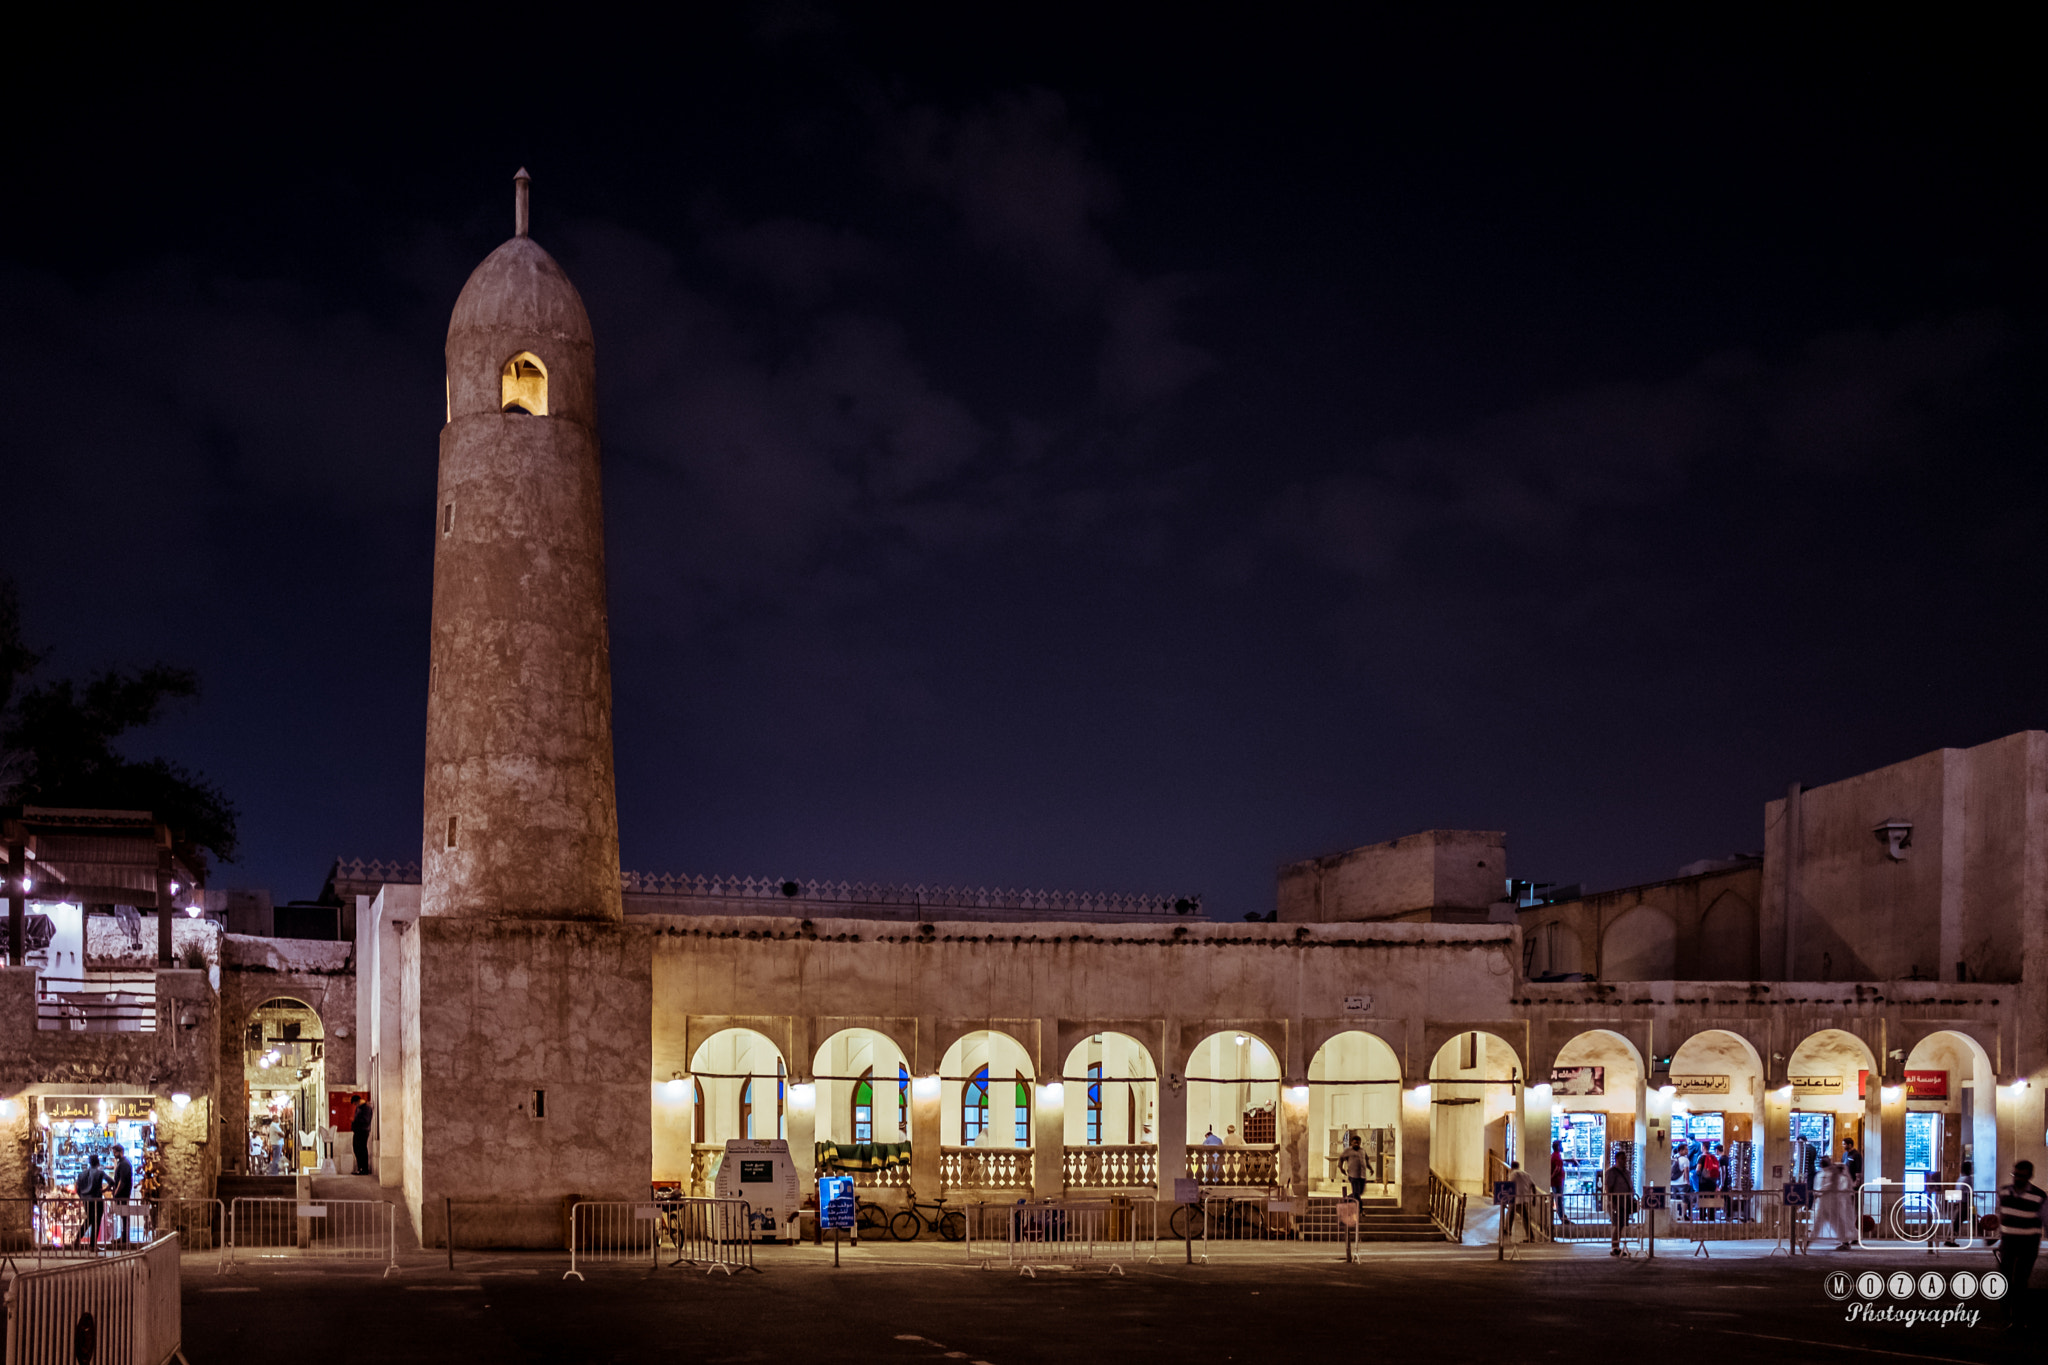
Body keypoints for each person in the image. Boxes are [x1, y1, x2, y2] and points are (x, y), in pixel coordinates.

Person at [1994, 1159, 2044, 1327]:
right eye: (2015, 1174)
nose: (2017, 1178)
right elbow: (2000, 1215)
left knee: (2021, 1280)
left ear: (2029, 1176)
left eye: (2021, 1176)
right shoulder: (2004, 1193)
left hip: (2028, 1244)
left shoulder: (2039, 1196)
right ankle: (2008, 1313)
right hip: (2008, 1243)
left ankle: (2018, 1318)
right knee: (2005, 1279)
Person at [1811, 1154, 1854, 1250]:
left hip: (1831, 1202)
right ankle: (1809, 1239)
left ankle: (1845, 1242)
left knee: (1836, 1222)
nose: (1822, 1162)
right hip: (1822, 1202)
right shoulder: (1820, 1174)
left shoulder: (1833, 1173)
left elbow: (1830, 1185)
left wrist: (1819, 1191)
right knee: (1818, 1222)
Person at [1604, 1153, 1634, 1256]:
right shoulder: (1611, 1172)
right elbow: (1608, 1187)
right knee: (1616, 1224)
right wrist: (1611, 1202)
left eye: (1625, 1158)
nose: (1624, 1161)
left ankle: (1617, 1246)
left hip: (1625, 1203)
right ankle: (1614, 1247)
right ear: (1616, 1159)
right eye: (1622, 1159)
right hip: (1616, 1202)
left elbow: (1630, 1185)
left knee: (1621, 1225)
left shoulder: (1626, 1172)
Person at [74, 1155, 106, 1249]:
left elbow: (77, 1188)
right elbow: (112, 1182)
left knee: (89, 1220)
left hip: (86, 1200)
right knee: (96, 1221)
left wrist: (82, 1197)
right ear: (98, 1162)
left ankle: (78, 1239)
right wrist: (104, 1190)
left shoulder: (82, 1174)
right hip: (97, 1200)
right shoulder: (100, 1173)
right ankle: (92, 1244)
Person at [108, 1146, 134, 1245]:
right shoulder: (122, 1163)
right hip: (122, 1194)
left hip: (123, 1194)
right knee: (123, 1216)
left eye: (115, 1152)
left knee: (124, 1216)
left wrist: (116, 1193)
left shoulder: (124, 1164)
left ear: (120, 1152)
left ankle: (125, 1238)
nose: (114, 1155)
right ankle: (123, 1237)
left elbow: (122, 1181)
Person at [1508, 1159, 1538, 1241]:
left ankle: (1530, 1236)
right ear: (1518, 1166)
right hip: (1525, 1198)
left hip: (1515, 1198)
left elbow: (1509, 1185)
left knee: (1522, 1216)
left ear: (1511, 1167)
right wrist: (1534, 1198)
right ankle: (1508, 1229)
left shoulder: (1512, 1174)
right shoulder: (1526, 1174)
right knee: (1513, 1213)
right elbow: (1533, 1185)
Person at [1340, 1134, 1369, 1204]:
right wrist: (1341, 1168)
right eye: (1355, 1143)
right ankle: (1361, 1208)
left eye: (1358, 1143)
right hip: (1353, 1175)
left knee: (1360, 1192)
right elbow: (1341, 1159)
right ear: (1351, 1143)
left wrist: (1370, 1168)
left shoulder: (1362, 1151)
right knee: (1356, 1193)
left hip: (1362, 1175)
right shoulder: (1348, 1151)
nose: (1356, 1144)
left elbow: (1366, 1159)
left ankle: (1347, 1199)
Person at [1697, 1143, 1722, 1222]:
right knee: (1711, 1198)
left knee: (1702, 1197)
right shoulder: (1714, 1157)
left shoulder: (1702, 1157)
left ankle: (1702, 1216)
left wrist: (1697, 1174)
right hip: (1712, 1181)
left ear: (1703, 1147)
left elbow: (1698, 1169)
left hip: (1703, 1181)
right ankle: (1711, 1216)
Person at [352, 1096, 374, 1178]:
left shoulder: (366, 1108)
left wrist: (356, 1122)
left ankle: (364, 1169)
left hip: (363, 1131)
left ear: (358, 1101)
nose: (355, 1105)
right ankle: (360, 1168)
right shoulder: (360, 1107)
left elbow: (366, 1120)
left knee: (362, 1149)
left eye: (355, 1103)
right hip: (358, 1131)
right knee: (356, 1148)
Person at [1549, 1140, 1569, 1223]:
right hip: (1557, 1182)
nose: (1562, 1147)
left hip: (1556, 1181)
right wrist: (1552, 1177)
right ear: (1557, 1147)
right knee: (1559, 1199)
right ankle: (1562, 1217)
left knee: (1558, 1199)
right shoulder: (1557, 1156)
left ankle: (1561, 1216)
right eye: (1561, 1145)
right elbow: (1557, 1169)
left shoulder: (1553, 1156)